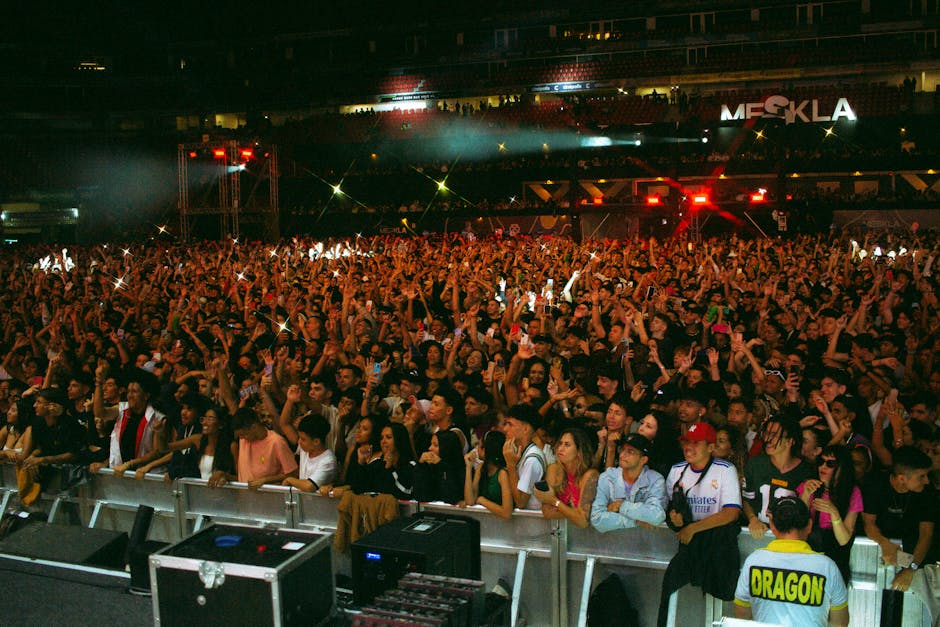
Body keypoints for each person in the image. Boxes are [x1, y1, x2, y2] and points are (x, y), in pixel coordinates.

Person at [658, 422, 742, 627]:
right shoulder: (677, 470)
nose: (689, 447)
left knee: (722, 593)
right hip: (688, 543)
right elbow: (668, 508)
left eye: (696, 443)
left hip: (715, 542)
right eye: (686, 442)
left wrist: (692, 528)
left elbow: (731, 513)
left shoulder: (725, 469)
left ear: (711, 447)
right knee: (669, 586)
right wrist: (674, 518)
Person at [734, 496, 849, 627]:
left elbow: (741, 615)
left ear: (772, 525)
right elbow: (840, 623)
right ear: (809, 525)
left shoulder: (753, 562)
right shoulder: (827, 567)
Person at [862, 445, 936, 593]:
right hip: (876, 553)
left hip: (915, 555)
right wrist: (884, 543)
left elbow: (926, 534)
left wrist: (911, 568)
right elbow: (868, 524)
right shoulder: (875, 485)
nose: (927, 481)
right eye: (921, 476)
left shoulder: (927, 492)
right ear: (902, 478)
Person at [798, 445, 862, 583]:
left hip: (835, 561)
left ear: (841, 467)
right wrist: (805, 496)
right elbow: (797, 525)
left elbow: (844, 539)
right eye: (821, 462)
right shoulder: (808, 485)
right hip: (807, 559)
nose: (823, 467)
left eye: (830, 463)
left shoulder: (853, 492)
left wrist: (834, 513)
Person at [743, 416, 813, 538]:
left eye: (774, 435)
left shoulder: (806, 471)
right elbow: (746, 499)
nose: (768, 439)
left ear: (790, 441)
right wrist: (753, 519)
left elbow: (806, 512)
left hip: (789, 539)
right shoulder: (755, 463)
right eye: (767, 433)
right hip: (758, 535)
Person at [591, 433, 668, 532]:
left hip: (644, 543)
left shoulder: (655, 480)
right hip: (611, 543)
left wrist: (621, 506)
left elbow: (656, 515)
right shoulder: (607, 476)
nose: (622, 455)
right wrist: (636, 521)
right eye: (622, 449)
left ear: (643, 460)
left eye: (630, 452)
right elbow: (597, 519)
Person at [535, 427, 598, 528]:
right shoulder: (554, 469)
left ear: (579, 451)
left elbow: (583, 521)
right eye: (560, 443)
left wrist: (554, 501)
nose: (560, 448)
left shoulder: (590, 475)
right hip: (561, 534)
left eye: (567, 445)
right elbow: (547, 512)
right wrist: (574, 511)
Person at [229, 407, 298, 489]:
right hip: (245, 497)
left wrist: (265, 480)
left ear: (254, 427)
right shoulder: (243, 440)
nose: (241, 438)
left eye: (243, 434)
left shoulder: (276, 442)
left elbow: (292, 474)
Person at [503, 404, 547, 510]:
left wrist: (511, 466)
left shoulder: (532, 459)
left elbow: (521, 502)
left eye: (510, 424)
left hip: (535, 522)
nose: (505, 429)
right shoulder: (518, 451)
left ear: (526, 428)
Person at [281, 414, 337, 493]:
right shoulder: (305, 448)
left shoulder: (328, 460)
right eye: (299, 437)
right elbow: (285, 425)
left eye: (303, 439)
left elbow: (309, 486)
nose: (299, 441)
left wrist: (290, 480)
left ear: (316, 441)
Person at [464, 429, 512, 519]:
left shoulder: (502, 473)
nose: (476, 449)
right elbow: (470, 501)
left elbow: (506, 512)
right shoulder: (481, 468)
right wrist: (468, 468)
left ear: (485, 449)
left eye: (479, 445)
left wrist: (482, 500)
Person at [413, 429, 465, 504]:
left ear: (447, 447)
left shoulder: (463, 469)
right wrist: (421, 465)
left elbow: (452, 497)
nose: (430, 448)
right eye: (431, 444)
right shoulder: (431, 467)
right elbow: (421, 496)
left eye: (436, 445)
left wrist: (441, 465)